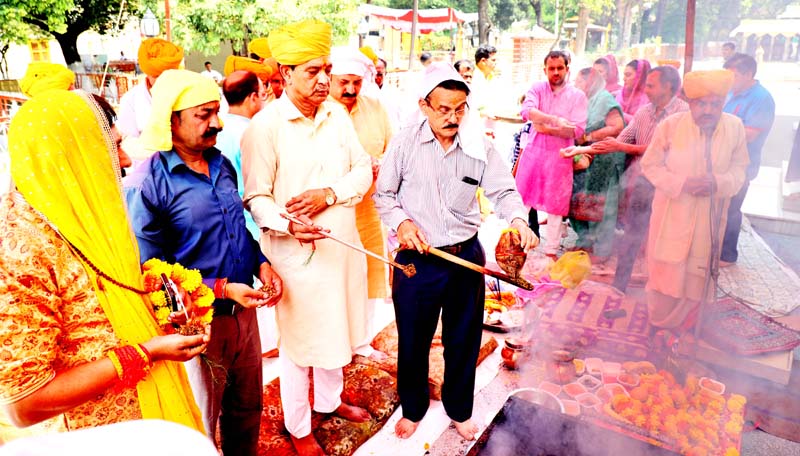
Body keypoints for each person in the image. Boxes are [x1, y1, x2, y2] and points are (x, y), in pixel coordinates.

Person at [0, 89, 208, 442]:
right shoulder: (20, 249)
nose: (125, 160)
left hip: (144, 415)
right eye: (111, 148)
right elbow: (24, 404)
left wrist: (162, 298)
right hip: (93, 437)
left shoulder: (84, 216)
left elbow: (103, 297)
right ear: (71, 156)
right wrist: (144, 353)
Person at [374, 62, 537, 441]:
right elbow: (383, 195)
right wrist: (402, 224)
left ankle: (459, 409)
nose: (452, 117)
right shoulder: (404, 143)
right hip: (417, 259)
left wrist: (518, 220)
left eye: (459, 108)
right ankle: (413, 408)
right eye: (443, 109)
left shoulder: (479, 143)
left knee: (463, 338)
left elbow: (504, 191)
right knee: (413, 338)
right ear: (424, 106)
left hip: (465, 256)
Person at [125, 69, 283, 456]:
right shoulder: (149, 184)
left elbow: (237, 229)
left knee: (247, 409)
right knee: (199, 423)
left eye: (216, 111)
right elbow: (150, 270)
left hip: (244, 317)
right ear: (171, 120)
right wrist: (221, 288)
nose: (216, 123)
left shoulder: (221, 164)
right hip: (197, 327)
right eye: (203, 115)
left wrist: (262, 263)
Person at [240, 19, 373, 456]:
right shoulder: (265, 127)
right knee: (299, 344)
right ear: (284, 74)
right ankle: (298, 426)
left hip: (343, 248)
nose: (323, 80)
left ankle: (330, 402)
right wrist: (288, 224)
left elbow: (361, 169)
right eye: (312, 71)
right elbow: (256, 197)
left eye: (326, 69)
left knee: (337, 330)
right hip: (297, 257)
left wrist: (329, 194)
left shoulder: (336, 114)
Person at [640, 70, 748, 330]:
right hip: (672, 214)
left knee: (698, 276)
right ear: (691, 103)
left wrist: (718, 183)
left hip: (709, 218)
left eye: (715, 104)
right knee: (665, 276)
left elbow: (740, 169)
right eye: (702, 103)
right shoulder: (672, 125)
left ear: (724, 103)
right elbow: (650, 165)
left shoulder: (734, 127)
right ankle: (659, 327)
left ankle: (688, 331)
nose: (708, 110)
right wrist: (682, 184)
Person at [588, 66, 689, 291]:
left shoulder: (684, 115)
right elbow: (621, 139)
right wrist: (583, 151)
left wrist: (620, 145)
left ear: (668, 87)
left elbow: (664, 152)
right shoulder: (644, 111)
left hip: (670, 189)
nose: (646, 89)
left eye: (651, 85)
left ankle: (662, 289)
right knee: (632, 236)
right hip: (643, 184)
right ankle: (619, 285)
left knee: (664, 241)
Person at [329, 47, 394, 358]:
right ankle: (335, 344)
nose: (350, 89)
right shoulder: (320, 112)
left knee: (368, 276)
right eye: (343, 82)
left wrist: (381, 163)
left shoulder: (376, 107)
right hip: (330, 213)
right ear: (329, 79)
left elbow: (393, 150)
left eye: (356, 82)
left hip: (368, 211)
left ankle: (361, 342)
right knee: (334, 281)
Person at [514, 50, 588, 257]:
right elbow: (527, 111)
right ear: (545, 69)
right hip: (534, 155)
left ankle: (551, 252)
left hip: (560, 157)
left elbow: (578, 130)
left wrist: (546, 128)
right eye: (551, 68)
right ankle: (514, 246)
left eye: (560, 68)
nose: (555, 72)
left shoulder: (577, 96)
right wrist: (556, 120)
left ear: (567, 68)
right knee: (522, 200)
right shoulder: (537, 88)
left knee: (556, 206)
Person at [719, 53, 775, 266]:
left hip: (743, 164)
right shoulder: (730, 94)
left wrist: (719, 127)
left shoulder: (762, 98)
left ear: (748, 74)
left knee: (732, 209)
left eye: (732, 75)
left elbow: (751, 132)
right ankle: (713, 248)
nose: (728, 80)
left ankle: (727, 254)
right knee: (719, 208)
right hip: (722, 162)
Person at [565, 68, 624, 261]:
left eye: (579, 82)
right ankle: (585, 243)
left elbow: (617, 127)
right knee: (583, 201)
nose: (576, 86)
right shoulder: (587, 99)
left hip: (605, 162)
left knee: (604, 207)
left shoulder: (605, 99)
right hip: (587, 158)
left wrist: (589, 137)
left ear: (590, 82)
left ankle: (602, 251)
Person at [216, 69, 268, 239]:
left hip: (225, 224)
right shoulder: (253, 132)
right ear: (253, 97)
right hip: (252, 227)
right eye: (262, 95)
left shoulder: (215, 130)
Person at [117, 38, 183, 140]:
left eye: (168, 76)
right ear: (147, 73)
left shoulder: (188, 94)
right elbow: (130, 145)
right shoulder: (130, 100)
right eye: (157, 76)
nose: (163, 81)